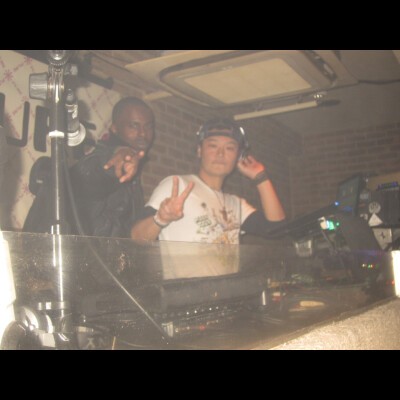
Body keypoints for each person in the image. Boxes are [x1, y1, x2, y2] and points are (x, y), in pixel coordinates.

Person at [131, 118, 285, 244]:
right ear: (199, 150)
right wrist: (161, 219)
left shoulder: (236, 204)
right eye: (213, 146)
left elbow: (276, 229)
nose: (220, 153)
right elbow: (135, 238)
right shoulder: (178, 185)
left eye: (229, 148)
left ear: (238, 156)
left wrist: (260, 177)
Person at [23, 96, 155, 238]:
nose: (143, 133)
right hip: (60, 250)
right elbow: (92, 172)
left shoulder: (133, 176)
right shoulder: (103, 160)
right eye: (134, 126)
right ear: (115, 128)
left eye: (148, 126)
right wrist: (115, 157)